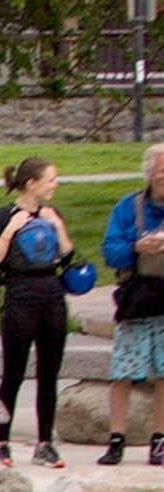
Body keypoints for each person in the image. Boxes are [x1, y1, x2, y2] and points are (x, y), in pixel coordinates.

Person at [0, 157, 74, 468]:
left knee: (49, 374)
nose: (55, 185)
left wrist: (58, 225)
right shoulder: (2, 216)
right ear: (31, 184)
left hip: (51, 294)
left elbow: (66, 255)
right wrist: (10, 230)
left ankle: (45, 443)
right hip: (19, 297)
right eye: (51, 179)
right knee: (14, 372)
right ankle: (3, 441)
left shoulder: (51, 214)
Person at [96, 142, 164, 465]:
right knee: (122, 371)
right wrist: (137, 247)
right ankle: (116, 439)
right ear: (149, 174)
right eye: (162, 173)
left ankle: (160, 441)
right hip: (137, 299)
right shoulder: (128, 208)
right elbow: (110, 251)